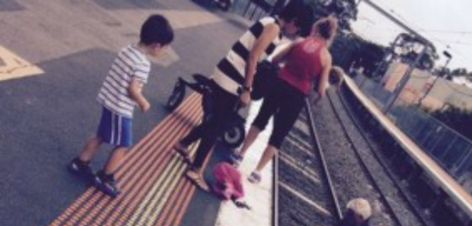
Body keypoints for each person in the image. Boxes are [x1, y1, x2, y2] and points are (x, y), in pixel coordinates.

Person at [174, 0, 314, 191]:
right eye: (298, 29)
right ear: (294, 21)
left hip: (228, 72)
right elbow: (253, 57)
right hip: (232, 78)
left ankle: (183, 144)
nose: (295, 33)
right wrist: (247, 89)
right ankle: (195, 169)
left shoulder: (269, 22)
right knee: (218, 125)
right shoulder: (273, 28)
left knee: (217, 120)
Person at [68, 15, 174, 197]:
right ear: (156, 45)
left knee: (101, 135)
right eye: (165, 46)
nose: (165, 50)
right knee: (123, 145)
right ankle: (105, 177)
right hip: (120, 108)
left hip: (109, 100)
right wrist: (143, 102)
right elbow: (133, 89)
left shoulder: (127, 49)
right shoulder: (143, 63)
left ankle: (80, 163)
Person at [231, 17, 341, 183]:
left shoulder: (299, 42)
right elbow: (320, 89)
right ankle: (257, 171)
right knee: (279, 134)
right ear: (330, 36)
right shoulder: (326, 57)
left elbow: (276, 60)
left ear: (316, 29)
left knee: (261, 120)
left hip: (279, 85)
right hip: (296, 97)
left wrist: (288, 67)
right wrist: (317, 95)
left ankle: (240, 154)